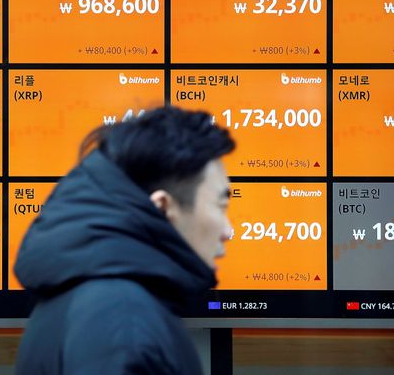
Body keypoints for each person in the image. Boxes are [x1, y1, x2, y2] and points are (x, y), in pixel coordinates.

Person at [14, 106, 236, 374]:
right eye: (220, 205)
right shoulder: (125, 324)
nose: (228, 230)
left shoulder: (87, 301)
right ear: (162, 208)